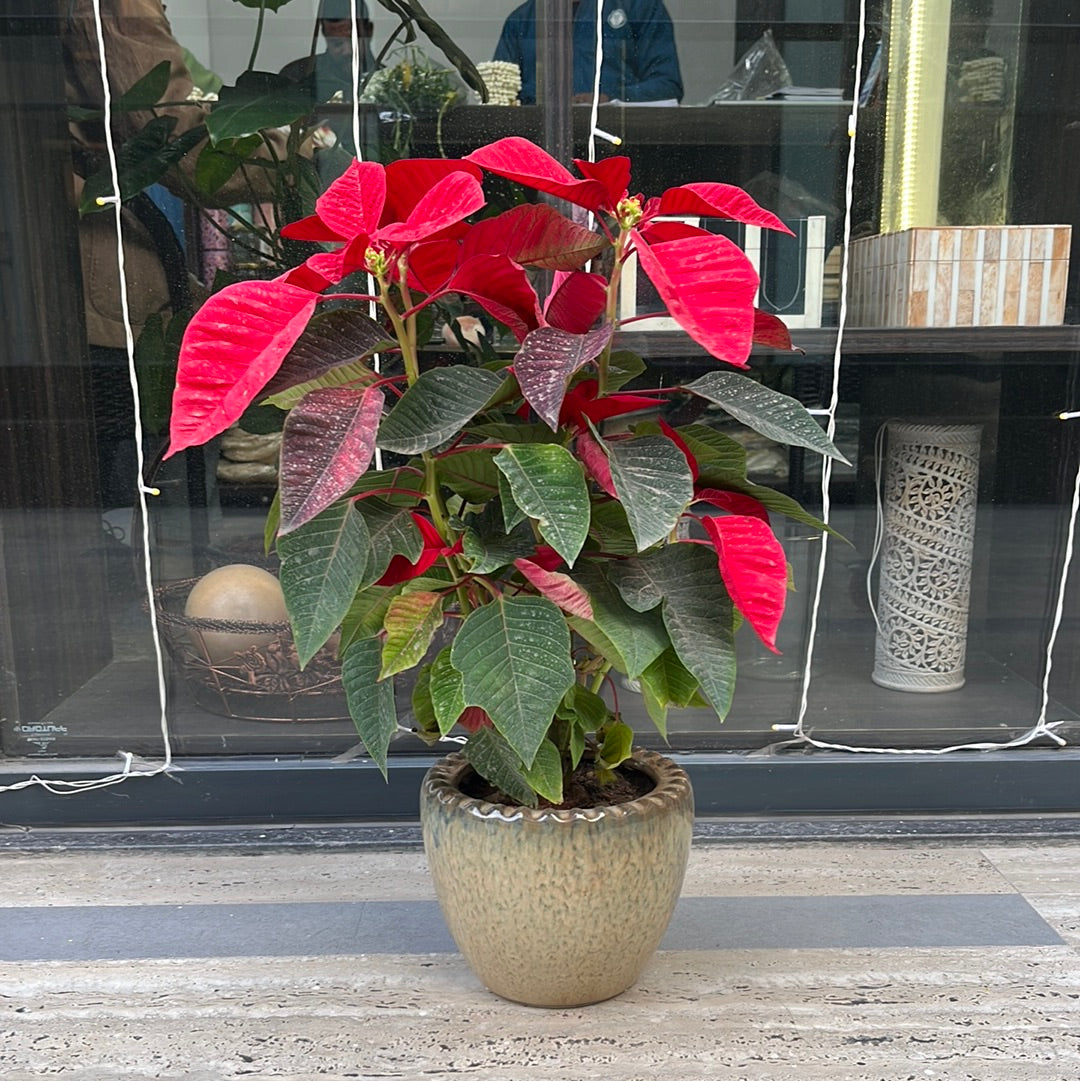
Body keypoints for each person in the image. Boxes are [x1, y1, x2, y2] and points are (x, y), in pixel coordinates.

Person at [493, 0, 682, 106]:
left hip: (622, 140)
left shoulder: (639, 6)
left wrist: (610, 98)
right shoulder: (522, 20)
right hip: (540, 145)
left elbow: (667, 86)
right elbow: (500, 96)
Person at [280, 0, 377, 105]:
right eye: (337, 43)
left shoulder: (385, 80)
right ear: (324, 34)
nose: (347, 51)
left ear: (369, 31)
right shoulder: (298, 76)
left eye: (353, 40)